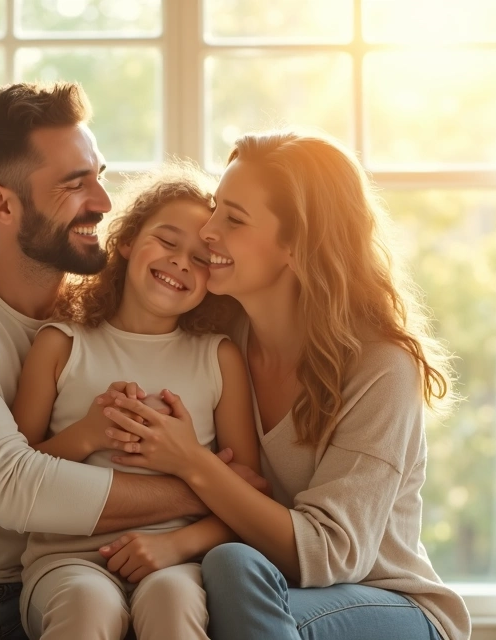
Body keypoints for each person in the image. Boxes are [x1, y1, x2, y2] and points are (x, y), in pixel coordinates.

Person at [0, 83, 265, 640]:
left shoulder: (125, 308)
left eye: (98, 174)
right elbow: (14, 485)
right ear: (2, 204)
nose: (105, 202)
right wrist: (208, 481)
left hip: (102, 576)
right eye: (75, 184)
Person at [100, 130, 473, 640]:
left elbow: (331, 553)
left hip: (391, 602)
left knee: (232, 565)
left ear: (297, 248)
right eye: (216, 209)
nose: (208, 230)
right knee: (217, 574)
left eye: (233, 219)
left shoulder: (382, 368)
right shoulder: (219, 339)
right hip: (262, 590)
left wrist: (190, 460)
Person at [11, 166, 260, 640]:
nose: (181, 262)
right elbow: (14, 476)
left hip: (180, 560)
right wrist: (86, 435)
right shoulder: (61, 345)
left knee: (173, 600)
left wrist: (176, 545)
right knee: (87, 605)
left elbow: (247, 491)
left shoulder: (219, 357)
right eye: (167, 242)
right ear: (126, 240)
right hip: (66, 561)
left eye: (201, 257)